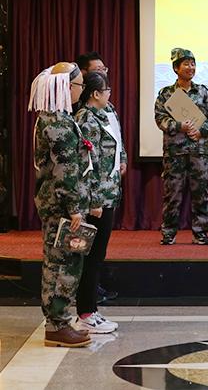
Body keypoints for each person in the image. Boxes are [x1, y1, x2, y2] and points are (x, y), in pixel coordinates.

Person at [29, 62, 98, 347]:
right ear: (67, 87)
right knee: (62, 265)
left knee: (64, 261)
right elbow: (66, 169)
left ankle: (59, 322)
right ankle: (57, 325)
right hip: (62, 207)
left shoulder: (56, 118)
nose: (82, 90)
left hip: (58, 203)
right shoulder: (57, 122)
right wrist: (74, 208)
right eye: (80, 85)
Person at [73, 72, 121, 334]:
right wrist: (94, 200)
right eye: (106, 90)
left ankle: (90, 310)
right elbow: (88, 164)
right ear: (95, 94)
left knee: (97, 257)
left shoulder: (105, 113)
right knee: (90, 258)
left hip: (107, 194)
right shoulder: (87, 119)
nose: (109, 93)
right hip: (96, 199)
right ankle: (85, 313)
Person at [155, 48, 208, 245]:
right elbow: (160, 118)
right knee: (172, 194)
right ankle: (168, 233)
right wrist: (178, 126)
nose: (190, 68)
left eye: (193, 64)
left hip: (199, 152)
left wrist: (201, 131)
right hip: (174, 152)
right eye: (186, 64)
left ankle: (201, 233)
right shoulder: (166, 94)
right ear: (176, 68)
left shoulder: (204, 92)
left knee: (200, 194)